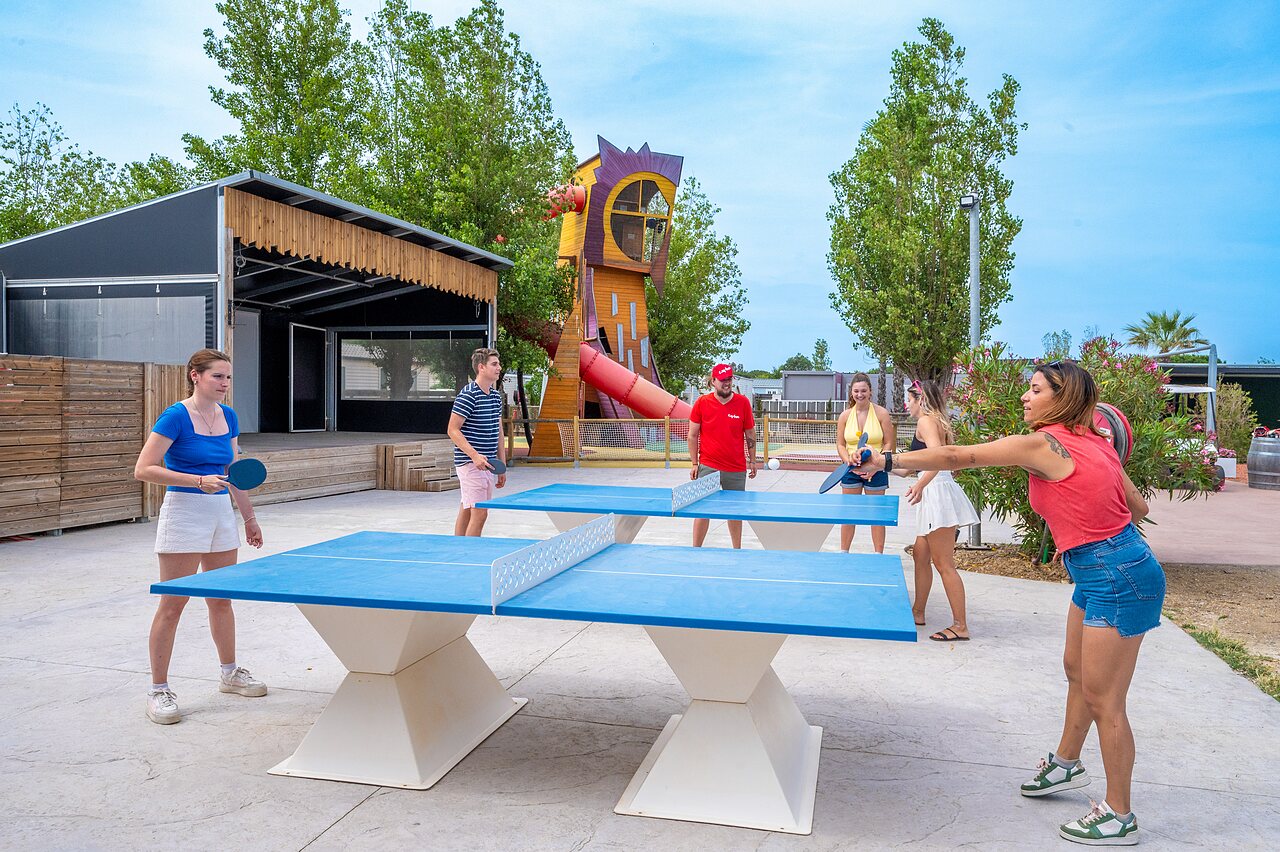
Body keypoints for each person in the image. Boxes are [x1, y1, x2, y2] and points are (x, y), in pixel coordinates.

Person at [855, 359, 1158, 846]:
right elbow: (1139, 509)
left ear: (1062, 399)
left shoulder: (1044, 443)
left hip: (1116, 575)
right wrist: (1104, 477)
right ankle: (1065, 763)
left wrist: (886, 461)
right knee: (1076, 671)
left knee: (1106, 699)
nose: (1025, 397)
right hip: (1105, 567)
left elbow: (961, 457)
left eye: (1035, 389)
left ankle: (1119, 813)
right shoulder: (1097, 445)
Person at [133, 348, 266, 725]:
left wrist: (250, 517)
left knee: (221, 600)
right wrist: (197, 480)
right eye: (217, 377)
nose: (224, 384)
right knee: (173, 604)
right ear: (195, 376)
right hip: (184, 512)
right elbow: (144, 469)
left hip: (221, 515)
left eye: (227, 377)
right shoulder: (175, 416)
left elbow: (233, 470)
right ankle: (158, 691)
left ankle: (230, 674)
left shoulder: (229, 416)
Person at [895, 379, 979, 641]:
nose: (906, 404)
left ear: (921, 400)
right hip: (933, 491)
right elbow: (908, 468)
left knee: (944, 564)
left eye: (909, 399)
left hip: (937, 493)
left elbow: (939, 459)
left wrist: (920, 484)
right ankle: (918, 612)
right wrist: (876, 464)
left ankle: (960, 625)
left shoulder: (926, 421)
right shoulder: (931, 422)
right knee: (921, 555)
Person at [688, 363, 757, 548]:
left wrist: (752, 460)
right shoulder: (702, 403)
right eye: (723, 380)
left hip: (736, 468)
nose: (727, 383)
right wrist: (695, 463)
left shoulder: (743, 403)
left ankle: (737, 550)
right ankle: (696, 549)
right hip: (708, 466)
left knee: (735, 512)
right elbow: (692, 435)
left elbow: (750, 435)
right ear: (713, 381)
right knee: (703, 510)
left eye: (729, 379)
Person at [447, 347, 507, 536]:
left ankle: (458, 552)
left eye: (498, 364)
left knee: (467, 509)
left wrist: (502, 465)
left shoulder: (496, 397)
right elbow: (452, 430)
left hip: (487, 464)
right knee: (479, 514)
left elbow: (498, 430)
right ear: (481, 367)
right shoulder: (468, 395)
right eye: (494, 364)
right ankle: (471, 558)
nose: (499, 367)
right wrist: (474, 456)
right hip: (471, 464)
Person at [834, 372, 895, 553]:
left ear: (870, 391)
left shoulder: (882, 413)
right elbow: (840, 444)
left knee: (876, 515)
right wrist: (848, 461)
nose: (860, 394)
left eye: (863, 391)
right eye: (856, 391)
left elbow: (889, 443)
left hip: (876, 470)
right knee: (849, 513)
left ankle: (878, 554)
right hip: (851, 471)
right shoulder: (845, 416)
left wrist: (877, 466)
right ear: (851, 392)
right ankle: (844, 552)